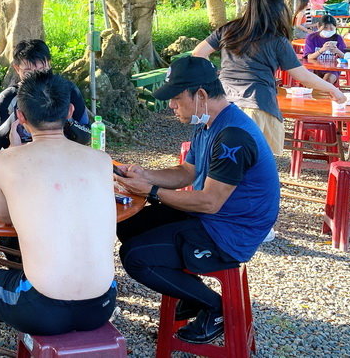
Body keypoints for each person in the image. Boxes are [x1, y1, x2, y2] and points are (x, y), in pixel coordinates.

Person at [0, 72, 117, 358]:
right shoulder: (101, 160)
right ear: (69, 111)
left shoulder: (4, 160)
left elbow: (3, 216)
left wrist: (12, 157)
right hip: (103, 304)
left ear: (20, 116)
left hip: (42, 308)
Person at [115, 56, 280, 345]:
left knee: (135, 257)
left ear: (200, 95)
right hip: (216, 218)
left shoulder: (232, 137)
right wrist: (145, 174)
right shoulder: (207, 122)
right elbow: (186, 172)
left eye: (176, 98)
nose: (171, 106)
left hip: (231, 232)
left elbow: (209, 202)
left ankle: (216, 309)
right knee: (130, 225)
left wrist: (151, 191)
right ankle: (191, 293)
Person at [193, 0, 347, 154]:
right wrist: (333, 89)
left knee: (219, 162)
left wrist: (216, 77)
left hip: (221, 102)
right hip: (257, 106)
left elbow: (198, 54)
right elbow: (302, 76)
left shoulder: (228, 29)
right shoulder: (277, 39)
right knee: (254, 166)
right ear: (278, 9)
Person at [0, 39, 90, 149]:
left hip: (62, 155)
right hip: (24, 158)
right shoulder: (7, 97)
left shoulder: (68, 90)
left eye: (42, 70)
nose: (36, 76)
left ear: (49, 64)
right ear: (17, 68)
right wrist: (17, 116)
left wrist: (66, 118)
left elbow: (87, 135)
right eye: (28, 72)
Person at [303, 14, 347, 84]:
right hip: (314, 68)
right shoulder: (311, 38)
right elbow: (309, 57)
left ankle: (321, 94)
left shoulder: (338, 38)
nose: (328, 31)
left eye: (331, 29)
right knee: (311, 82)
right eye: (325, 28)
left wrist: (337, 51)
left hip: (332, 69)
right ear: (319, 27)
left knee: (327, 80)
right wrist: (322, 50)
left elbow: (346, 57)